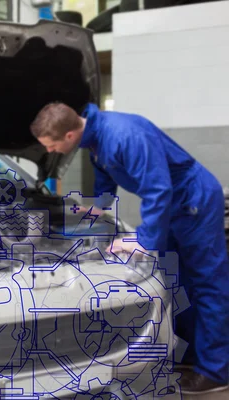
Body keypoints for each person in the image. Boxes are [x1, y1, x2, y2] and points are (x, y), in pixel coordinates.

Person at [30, 102, 229, 395]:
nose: (51, 152)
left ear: (69, 136)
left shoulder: (124, 135)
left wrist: (142, 241)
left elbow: (158, 190)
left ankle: (216, 371)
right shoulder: (95, 139)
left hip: (193, 203)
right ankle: (190, 357)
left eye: (52, 145)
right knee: (178, 282)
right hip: (172, 207)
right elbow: (106, 179)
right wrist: (94, 210)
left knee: (207, 284)